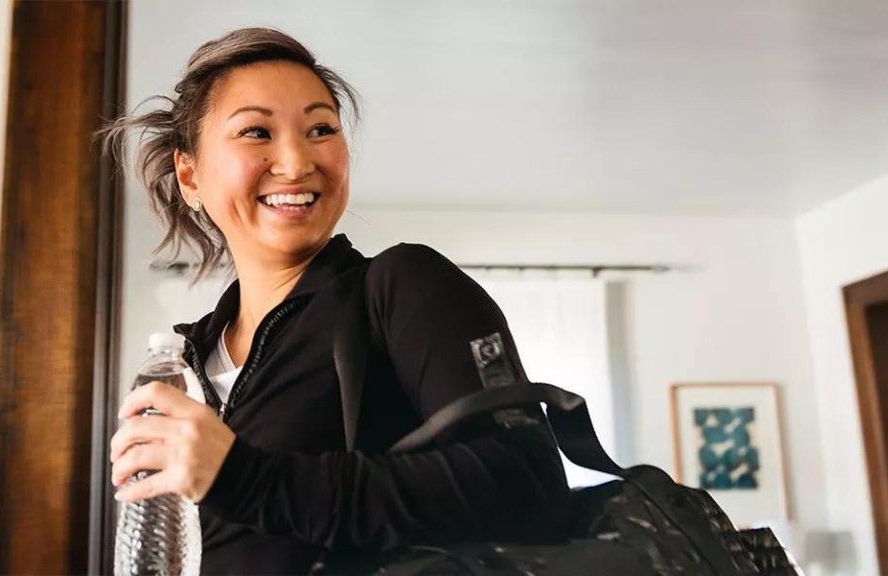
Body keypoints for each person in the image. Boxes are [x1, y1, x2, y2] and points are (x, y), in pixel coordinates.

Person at [105, 27, 570, 574]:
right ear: (190, 175)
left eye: (320, 128)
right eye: (256, 132)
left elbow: (528, 488)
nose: (298, 162)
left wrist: (243, 477)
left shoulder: (403, 288)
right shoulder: (185, 364)